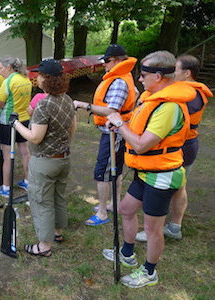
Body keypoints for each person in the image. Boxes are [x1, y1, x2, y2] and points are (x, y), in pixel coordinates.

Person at [102, 50, 196, 288]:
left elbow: (142, 145)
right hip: (146, 172)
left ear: (158, 76)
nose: (140, 80)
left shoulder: (169, 108)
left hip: (162, 175)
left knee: (153, 228)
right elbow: (136, 129)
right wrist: (120, 125)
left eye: (143, 75)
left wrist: (119, 123)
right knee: (126, 208)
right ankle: (127, 254)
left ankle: (149, 271)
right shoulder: (151, 99)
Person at [135, 54, 213, 242]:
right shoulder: (182, 91)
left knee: (164, 187)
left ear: (186, 73)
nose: (171, 73)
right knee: (178, 187)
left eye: (175, 69)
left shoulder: (189, 95)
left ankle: (160, 227)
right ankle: (172, 227)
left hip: (182, 146)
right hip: (183, 145)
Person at [12, 59, 76, 257]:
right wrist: (63, 146)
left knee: (41, 201)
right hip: (63, 158)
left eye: (38, 74)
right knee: (58, 196)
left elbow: (35, 137)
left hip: (44, 161)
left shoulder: (44, 105)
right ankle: (57, 232)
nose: (36, 77)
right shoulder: (67, 99)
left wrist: (16, 124)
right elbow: (72, 128)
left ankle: (44, 246)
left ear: (46, 79)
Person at [73, 44, 137, 226]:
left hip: (114, 134)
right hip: (116, 132)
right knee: (114, 170)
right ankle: (113, 204)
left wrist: (82, 105)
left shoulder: (119, 81)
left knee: (102, 173)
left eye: (107, 62)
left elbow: (111, 110)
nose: (105, 65)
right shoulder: (124, 77)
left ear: (118, 61)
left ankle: (102, 212)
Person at [0, 56, 31, 198]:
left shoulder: (8, 82)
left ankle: (6, 188)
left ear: (9, 67)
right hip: (24, 119)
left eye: (1, 69)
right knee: (25, 152)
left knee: (7, 156)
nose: (0, 72)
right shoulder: (26, 78)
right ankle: (28, 181)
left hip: (8, 121)